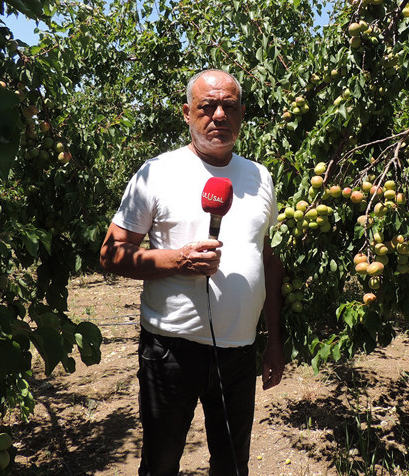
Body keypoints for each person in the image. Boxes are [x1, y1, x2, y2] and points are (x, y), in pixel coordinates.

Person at [100, 69, 285, 476]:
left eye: (229, 107)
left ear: (241, 115)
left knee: (233, 464)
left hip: (238, 352)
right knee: (162, 463)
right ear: (187, 113)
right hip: (171, 349)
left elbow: (267, 258)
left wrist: (273, 341)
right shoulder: (157, 172)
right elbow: (111, 254)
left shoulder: (260, 176)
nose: (219, 115)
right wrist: (176, 260)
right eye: (207, 106)